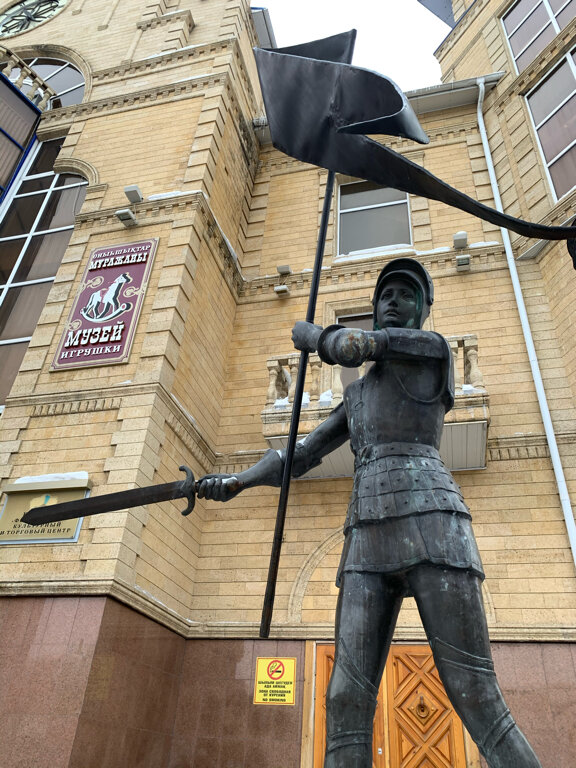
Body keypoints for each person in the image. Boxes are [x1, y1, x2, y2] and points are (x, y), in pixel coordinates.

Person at [197, 258, 542, 768]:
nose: (393, 303)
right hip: (367, 534)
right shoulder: (357, 395)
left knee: (474, 693)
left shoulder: (430, 349)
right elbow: (301, 454)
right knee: (345, 696)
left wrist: (314, 335)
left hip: (432, 520)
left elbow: (351, 347)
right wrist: (236, 482)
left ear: (423, 309)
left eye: (406, 295)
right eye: (385, 295)